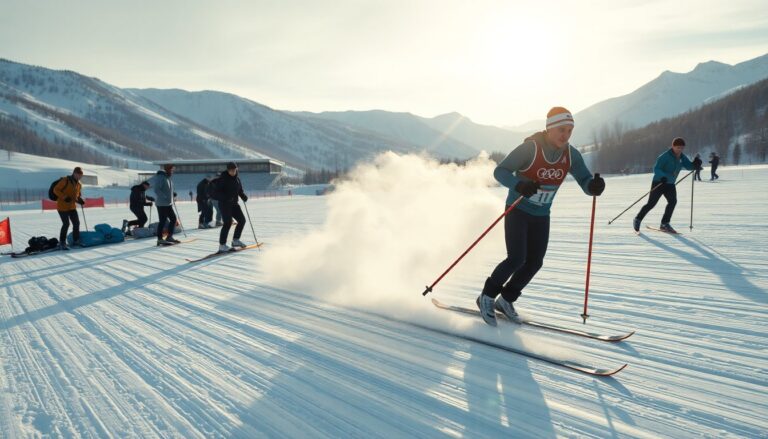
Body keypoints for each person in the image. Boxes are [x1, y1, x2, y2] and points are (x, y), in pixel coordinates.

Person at [477, 107, 605, 326]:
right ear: (549, 128)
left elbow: (584, 179)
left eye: (569, 131)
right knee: (516, 258)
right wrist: (519, 184)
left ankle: (505, 300)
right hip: (518, 210)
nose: (565, 135)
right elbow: (501, 171)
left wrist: (593, 186)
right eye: (561, 130)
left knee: (535, 262)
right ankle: (486, 297)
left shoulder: (571, 155)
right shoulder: (531, 148)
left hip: (542, 214)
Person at [633, 137, 694, 234]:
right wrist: (662, 176)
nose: (680, 150)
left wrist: (696, 165)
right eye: (678, 147)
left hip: (670, 184)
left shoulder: (682, 157)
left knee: (672, 202)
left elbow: (689, 166)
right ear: (673, 146)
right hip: (659, 182)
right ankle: (637, 219)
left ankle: (665, 223)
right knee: (651, 204)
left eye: (682, 148)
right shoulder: (665, 156)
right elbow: (656, 168)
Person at [213, 162, 249, 253]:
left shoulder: (237, 179)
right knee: (227, 223)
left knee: (242, 220)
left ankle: (235, 240)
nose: (233, 172)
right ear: (228, 170)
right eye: (231, 170)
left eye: (234, 170)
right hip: (224, 204)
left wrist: (243, 196)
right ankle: (222, 245)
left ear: (236, 169)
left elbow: (239, 191)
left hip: (234, 204)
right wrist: (225, 197)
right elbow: (215, 193)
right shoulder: (222, 179)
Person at [53, 167, 85, 250]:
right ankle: (62, 242)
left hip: (72, 207)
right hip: (62, 207)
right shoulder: (65, 180)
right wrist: (64, 197)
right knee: (66, 224)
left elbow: (76, 196)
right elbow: (56, 190)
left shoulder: (79, 185)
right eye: (78, 174)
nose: (79, 176)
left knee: (76, 223)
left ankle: (76, 240)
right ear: (74, 173)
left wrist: (80, 200)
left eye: (80, 175)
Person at [148, 164, 180, 245]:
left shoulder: (167, 178)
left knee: (173, 219)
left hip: (168, 204)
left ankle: (169, 237)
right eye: (171, 170)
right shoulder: (161, 177)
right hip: (162, 204)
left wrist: (172, 195)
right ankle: (160, 239)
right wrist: (165, 197)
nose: (172, 171)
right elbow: (157, 189)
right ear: (167, 169)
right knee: (162, 221)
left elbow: (167, 189)